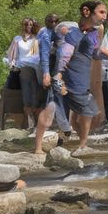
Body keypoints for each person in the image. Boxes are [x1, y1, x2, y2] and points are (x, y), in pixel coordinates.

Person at [54, 1, 107, 155]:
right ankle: (76, 145)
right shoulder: (70, 30)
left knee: (86, 112)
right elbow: (63, 54)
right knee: (75, 111)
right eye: (101, 12)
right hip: (66, 76)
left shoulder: (96, 31)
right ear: (86, 11)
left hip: (81, 76)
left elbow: (95, 54)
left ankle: (80, 144)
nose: (104, 16)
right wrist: (58, 74)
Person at [33, 14, 72, 154]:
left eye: (56, 21)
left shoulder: (60, 33)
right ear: (45, 21)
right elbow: (44, 55)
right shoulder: (45, 34)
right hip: (49, 70)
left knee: (59, 101)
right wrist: (46, 74)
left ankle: (62, 134)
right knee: (51, 103)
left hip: (59, 71)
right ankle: (39, 146)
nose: (53, 23)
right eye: (50, 21)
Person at [6, 18, 42, 128]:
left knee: (34, 91)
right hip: (20, 67)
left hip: (32, 66)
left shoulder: (35, 39)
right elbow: (11, 55)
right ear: (23, 25)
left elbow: (34, 56)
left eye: (31, 24)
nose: (28, 26)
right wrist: (13, 64)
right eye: (26, 24)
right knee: (26, 89)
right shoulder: (17, 39)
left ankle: (35, 118)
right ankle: (29, 118)